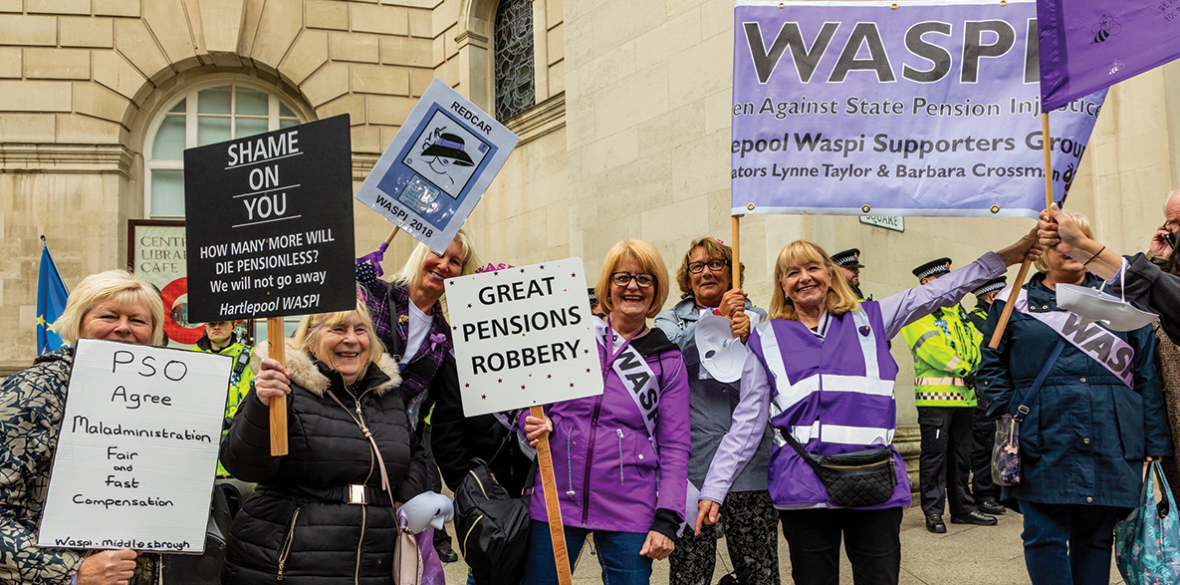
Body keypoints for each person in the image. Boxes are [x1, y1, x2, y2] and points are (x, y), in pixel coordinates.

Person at [697, 232, 1041, 585]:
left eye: (813, 267)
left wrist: (1008, 256)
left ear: (830, 275)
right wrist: (714, 489)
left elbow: (940, 290)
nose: (804, 278)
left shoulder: (872, 318)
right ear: (783, 286)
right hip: (803, 491)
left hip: (874, 483)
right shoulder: (765, 338)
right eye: (792, 272)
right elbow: (746, 425)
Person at [979, 211, 1171, 585]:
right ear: (1039, 252)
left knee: (1096, 539)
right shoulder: (1011, 303)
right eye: (1056, 242)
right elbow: (990, 369)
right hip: (1040, 441)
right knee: (1043, 537)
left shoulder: (1122, 300)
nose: (1066, 249)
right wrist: (1013, 417)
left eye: (1075, 239)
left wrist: (1154, 439)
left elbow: (1147, 374)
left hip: (1111, 439)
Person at [219, 298, 431, 585]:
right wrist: (260, 404)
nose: (351, 340)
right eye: (338, 328)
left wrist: (400, 498)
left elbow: (413, 452)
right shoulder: (283, 387)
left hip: (372, 566)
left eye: (361, 330)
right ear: (311, 336)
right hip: (289, 566)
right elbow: (242, 463)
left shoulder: (385, 394)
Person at [522, 240, 691, 585]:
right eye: (623, 277)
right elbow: (535, 402)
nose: (632, 286)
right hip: (556, 496)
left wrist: (667, 520)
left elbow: (675, 446)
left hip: (629, 509)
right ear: (607, 286)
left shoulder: (668, 358)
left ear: (656, 289)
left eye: (645, 279)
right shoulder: (573, 336)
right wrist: (534, 421)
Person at [0, 270, 164, 585]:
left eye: (138, 320)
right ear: (78, 323)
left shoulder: (164, 399)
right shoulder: (32, 391)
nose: (123, 328)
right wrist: (74, 573)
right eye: (108, 316)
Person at [654, 237, 778, 585]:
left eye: (716, 264)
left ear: (731, 272)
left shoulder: (759, 317)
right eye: (697, 266)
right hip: (693, 473)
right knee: (689, 574)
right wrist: (716, 321)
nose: (706, 272)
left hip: (750, 468)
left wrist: (751, 337)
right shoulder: (669, 321)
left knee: (760, 573)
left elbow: (775, 375)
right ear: (687, 277)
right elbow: (668, 360)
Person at [356, 230, 483, 563]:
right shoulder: (376, 295)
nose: (443, 265)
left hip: (396, 448)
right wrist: (346, 283)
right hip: (347, 434)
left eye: (455, 262)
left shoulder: (446, 333)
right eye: (438, 253)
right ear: (420, 254)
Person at [901, 258, 996, 533]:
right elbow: (930, 348)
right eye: (942, 280)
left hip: (966, 397)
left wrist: (979, 366)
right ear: (927, 283)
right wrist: (966, 368)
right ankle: (933, 511)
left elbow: (977, 343)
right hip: (936, 399)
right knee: (935, 457)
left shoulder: (958, 313)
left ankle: (962, 508)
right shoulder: (918, 311)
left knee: (961, 457)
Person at [1037, 204, 1180, 344]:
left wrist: (1081, 246)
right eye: (1174, 222)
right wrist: (1157, 260)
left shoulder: (1114, 294)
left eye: (1084, 237)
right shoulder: (1021, 302)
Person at [191, 319, 255, 480]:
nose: (217, 327)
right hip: (199, 452)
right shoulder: (190, 357)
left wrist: (231, 420)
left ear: (233, 326)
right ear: (205, 326)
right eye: (212, 324)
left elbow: (255, 399)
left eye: (222, 323)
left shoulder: (251, 357)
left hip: (238, 451)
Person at [964, 276, 1007, 513]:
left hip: (997, 391)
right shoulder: (977, 321)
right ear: (993, 297)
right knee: (983, 447)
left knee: (1000, 443)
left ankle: (1000, 491)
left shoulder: (998, 319)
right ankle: (984, 494)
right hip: (983, 392)